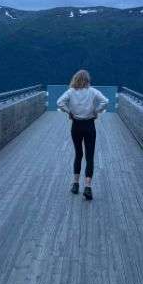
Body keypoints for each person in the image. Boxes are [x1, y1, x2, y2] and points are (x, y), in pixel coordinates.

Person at [56, 70, 109, 200]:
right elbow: (105, 101)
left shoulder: (71, 92)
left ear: (75, 79)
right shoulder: (93, 91)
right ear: (87, 80)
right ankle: (88, 187)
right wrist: (96, 111)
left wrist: (69, 112)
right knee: (89, 156)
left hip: (76, 125)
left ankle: (75, 184)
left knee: (78, 154)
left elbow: (59, 102)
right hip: (89, 125)